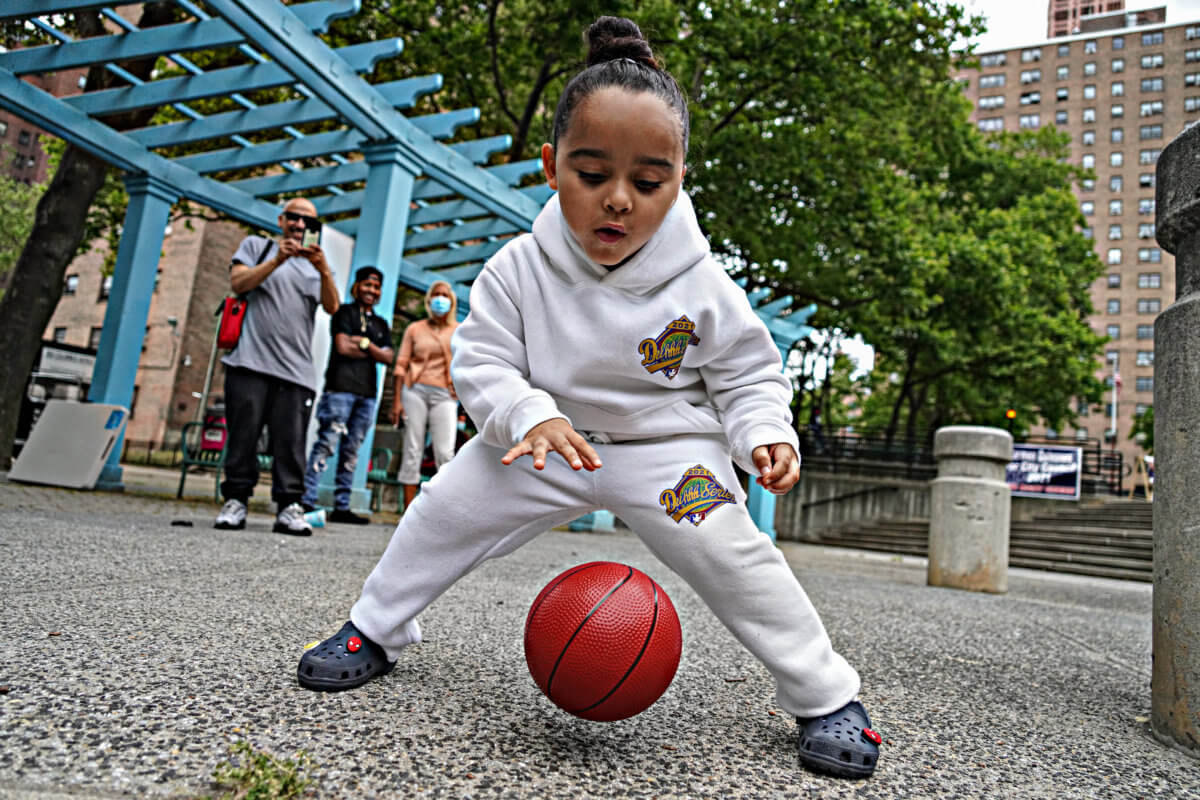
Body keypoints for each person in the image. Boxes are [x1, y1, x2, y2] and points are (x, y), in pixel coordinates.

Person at [297, 17, 879, 780]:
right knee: (442, 510)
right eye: (592, 173)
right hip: (543, 444)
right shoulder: (517, 267)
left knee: (739, 557)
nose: (618, 202)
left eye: (647, 182)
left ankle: (824, 693)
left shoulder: (703, 284)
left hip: (667, 455)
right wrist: (532, 414)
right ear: (550, 164)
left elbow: (747, 374)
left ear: (677, 178)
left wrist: (765, 428)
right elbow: (486, 361)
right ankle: (374, 628)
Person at [213, 197, 340, 536]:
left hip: (296, 371)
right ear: (282, 219)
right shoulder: (257, 246)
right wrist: (278, 259)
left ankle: (288, 507)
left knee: (290, 443)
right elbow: (238, 283)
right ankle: (236, 500)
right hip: (249, 362)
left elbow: (332, 307)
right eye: (294, 218)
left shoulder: (316, 265)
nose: (300, 226)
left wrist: (323, 268)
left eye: (308, 222)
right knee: (243, 437)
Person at [299, 266, 394, 525]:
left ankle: (342, 506)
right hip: (339, 389)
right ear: (357, 286)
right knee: (327, 444)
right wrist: (374, 350)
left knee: (352, 451)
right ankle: (306, 499)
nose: (371, 291)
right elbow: (342, 347)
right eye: (367, 285)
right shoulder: (343, 313)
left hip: (367, 395)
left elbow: (388, 357)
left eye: (376, 287)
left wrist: (364, 344)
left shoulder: (380, 323)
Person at [388, 281, 460, 510]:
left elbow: (466, 365)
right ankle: (409, 511)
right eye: (436, 295)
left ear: (452, 302)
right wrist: (396, 402)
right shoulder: (415, 328)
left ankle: (441, 509)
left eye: (445, 295)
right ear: (429, 301)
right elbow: (401, 365)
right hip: (415, 390)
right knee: (412, 449)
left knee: (444, 451)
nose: (440, 299)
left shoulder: (459, 331)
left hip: (445, 395)